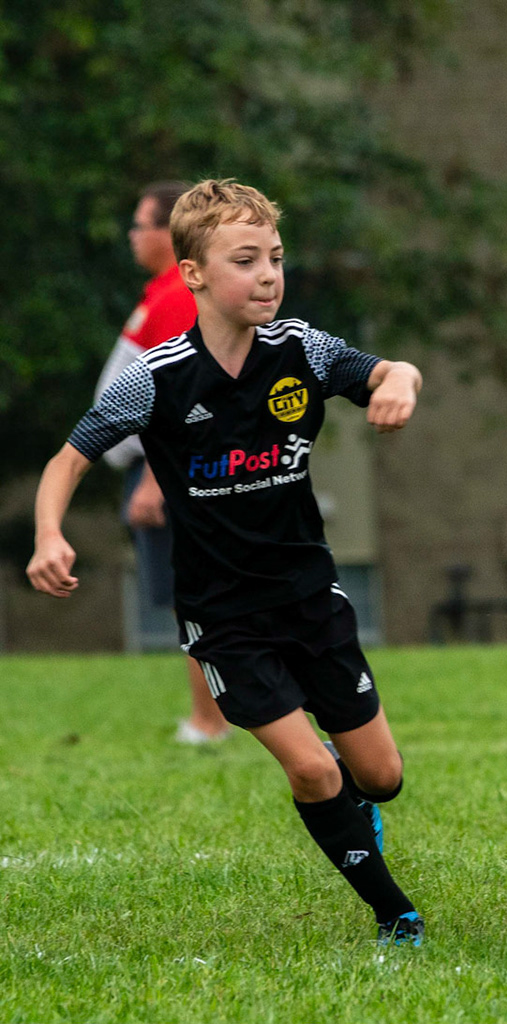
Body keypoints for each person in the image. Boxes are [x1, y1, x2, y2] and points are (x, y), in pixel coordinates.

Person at [26, 179, 427, 945]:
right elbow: (68, 458)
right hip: (223, 618)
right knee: (312, 772)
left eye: (275, 257)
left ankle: (356, 805)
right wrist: (50, 534)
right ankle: (394, 915)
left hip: (311, 599)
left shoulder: (300, 349)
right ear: (195, 275)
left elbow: (390, 370)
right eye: (246, 260)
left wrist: (398, 386)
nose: (269, 274)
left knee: (381, 777)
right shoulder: (156, 377)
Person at [108, 180, 228, 744]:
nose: (133, 236)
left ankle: (211, 720)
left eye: (140, 224)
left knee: (196, 593)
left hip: (170, 469)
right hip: (158, 464)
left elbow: (187, 397)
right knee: (192, 594)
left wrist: (157, 476)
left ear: (168, 231)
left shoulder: (181, 294)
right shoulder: (161, 292)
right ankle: (214, 716)